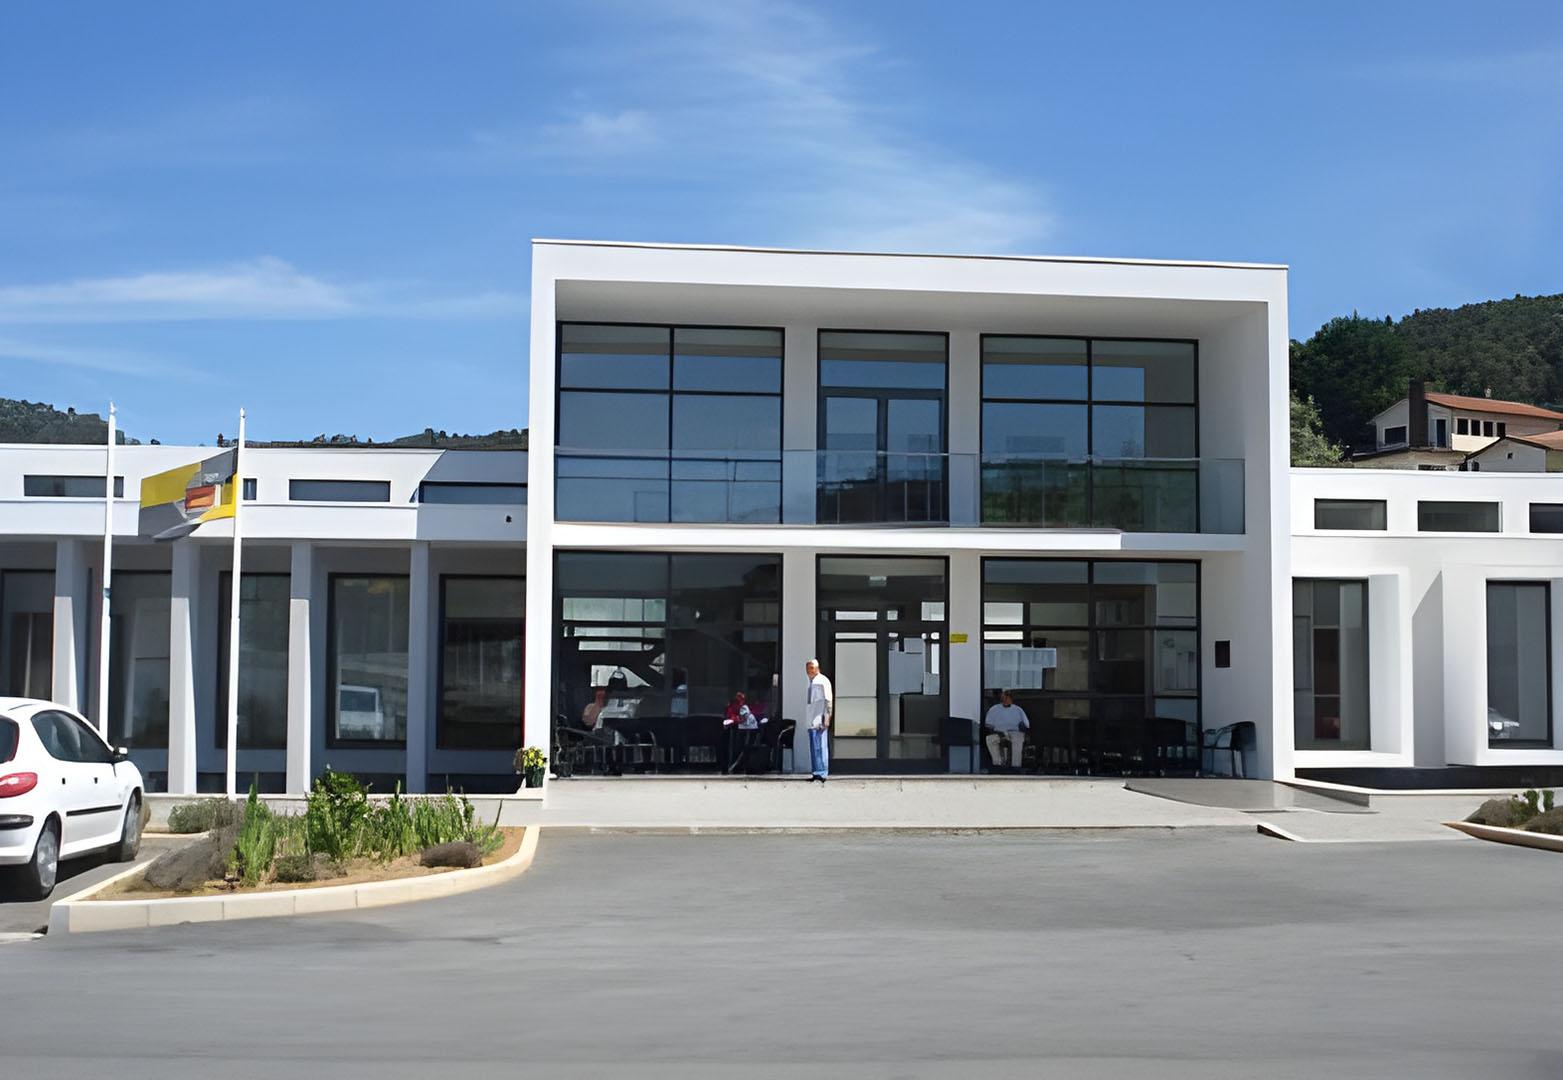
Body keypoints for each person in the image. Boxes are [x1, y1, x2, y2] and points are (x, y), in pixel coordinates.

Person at [984, 690, 1030, 770]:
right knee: (990, 739)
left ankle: (1016, 766)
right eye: (1004, 697)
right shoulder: (994, 709)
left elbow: (1026, 725)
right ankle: (998, 764)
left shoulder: (1018, 710)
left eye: (1008, 698)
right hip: (998, 732)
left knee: (1018, 738)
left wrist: (1022, 729)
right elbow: (988, 725)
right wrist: (997, 732)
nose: (1005, 699)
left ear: (1011, 699)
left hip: (1014, 732)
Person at [804, 658, 833, 783]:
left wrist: (827, 717)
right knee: (814, 746)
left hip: (820, 718)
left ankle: (822, 772)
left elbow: (828, 700)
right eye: (808, 668)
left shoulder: (822, 681)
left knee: (821, 745)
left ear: (817, 669)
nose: (809, 671)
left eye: (812, 668)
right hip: (812, 719)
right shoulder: (811, 682)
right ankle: (816, 771)